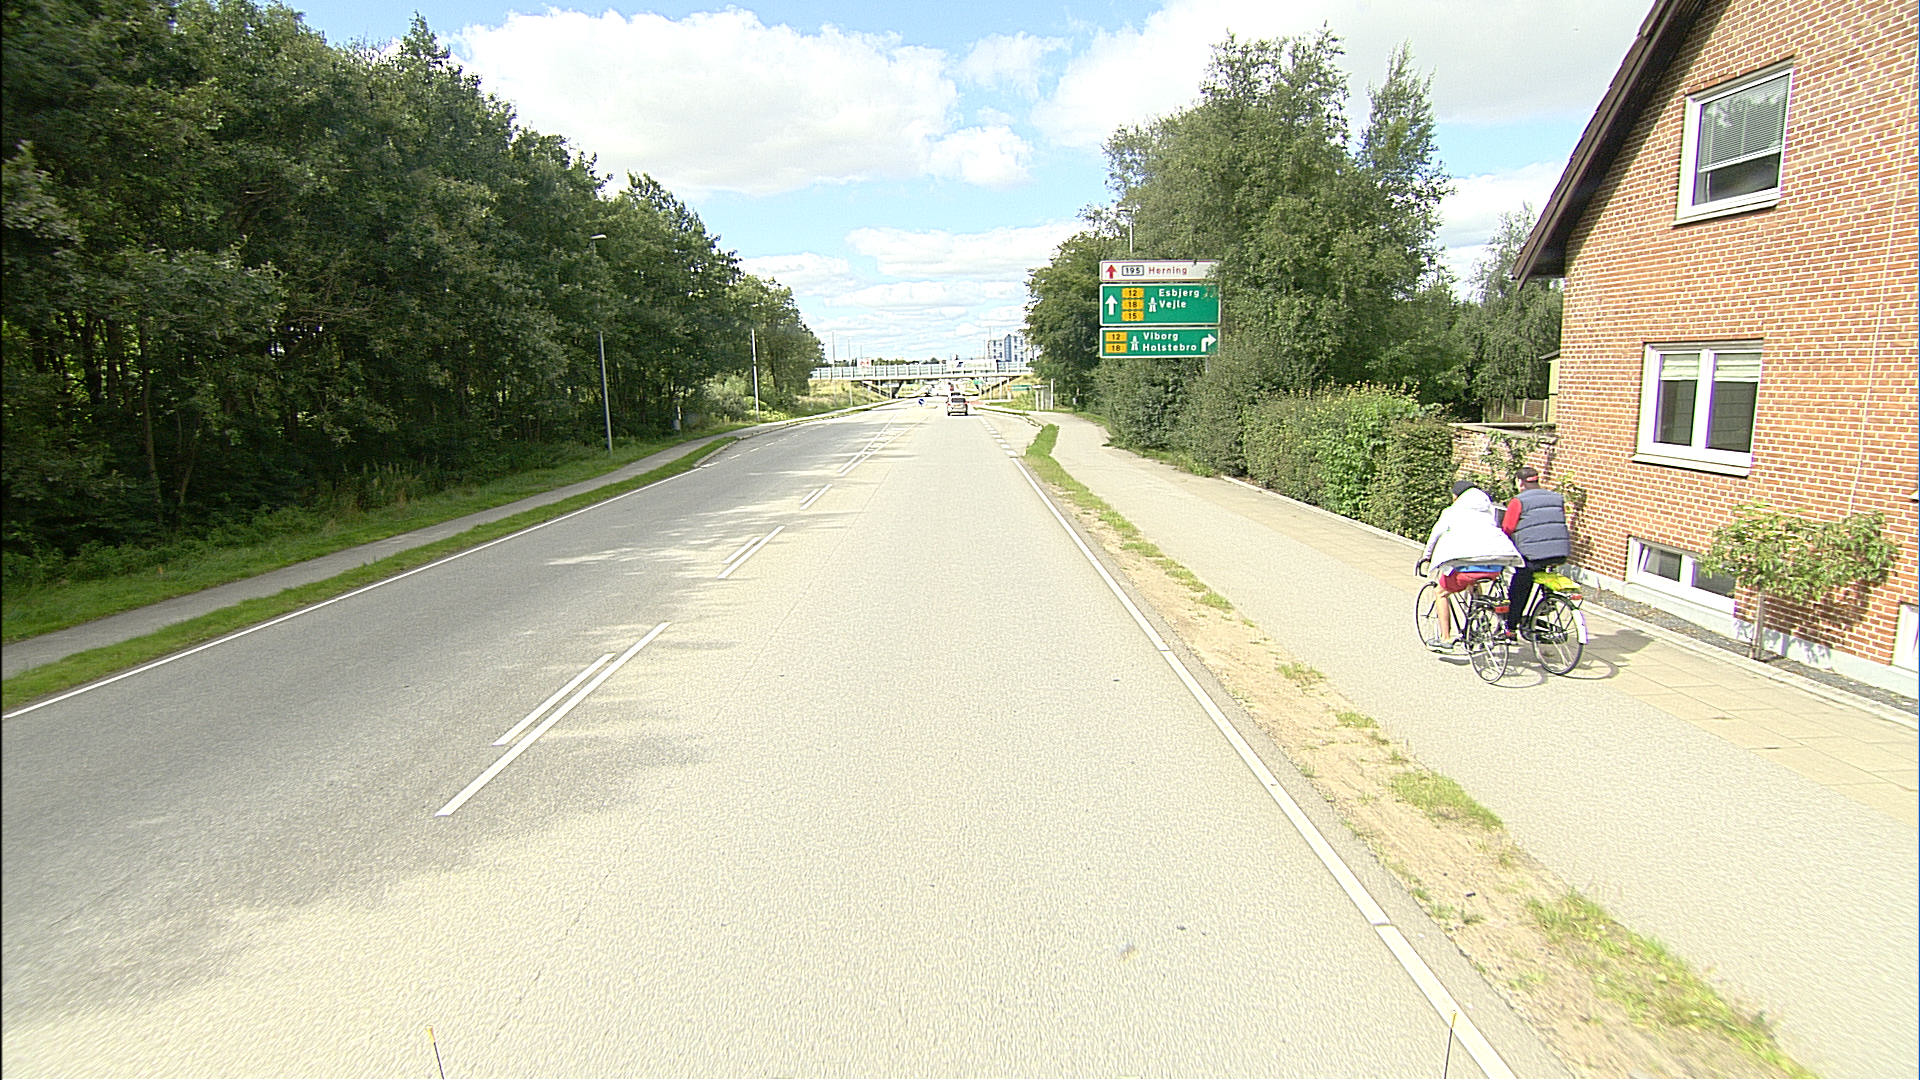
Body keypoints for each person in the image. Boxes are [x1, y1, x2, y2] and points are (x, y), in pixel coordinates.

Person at [1420, 480, 1523, 649]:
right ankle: (1480, 620)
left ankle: (1445, 639)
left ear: (1456, 497)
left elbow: (1435, 535)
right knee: (1474, 583)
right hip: (1495, 566)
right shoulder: (1488, 511)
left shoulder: (1451, 512)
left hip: (1467, 566)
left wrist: (1426, 556)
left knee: (1440, 592)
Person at [1500, 466, 1573, 637]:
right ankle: (1547, 601)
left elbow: (1508, 527)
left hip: (1532, 555)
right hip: (1560, 552)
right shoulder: (1557, 498)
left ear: (1520, 482)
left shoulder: (1518, 501)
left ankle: (1511, 628)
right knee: (1542, 572)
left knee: (1520, 586)